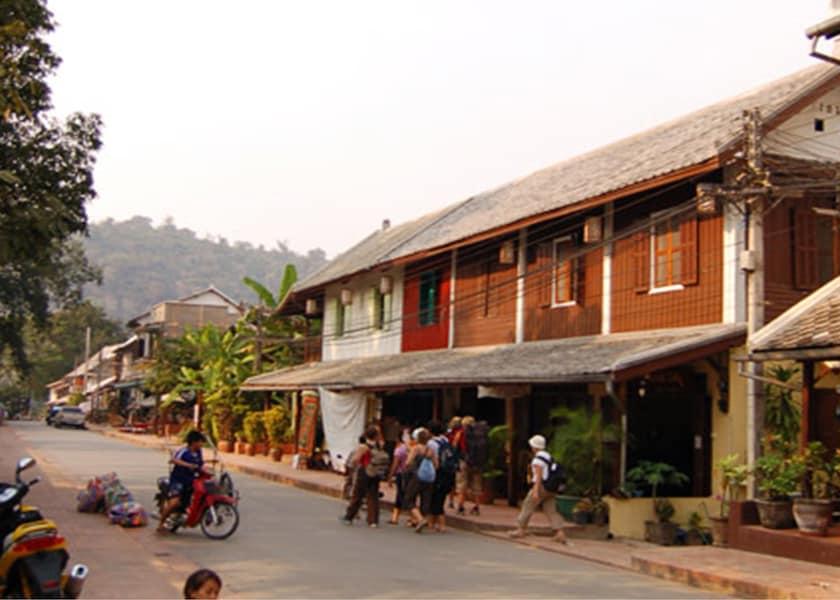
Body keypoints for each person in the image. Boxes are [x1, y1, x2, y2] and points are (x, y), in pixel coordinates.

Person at [508, 434, 568, 544]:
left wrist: (535, 490)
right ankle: (560, 532)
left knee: (528, 505)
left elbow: (538, 476)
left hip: (541, 486)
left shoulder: (537, 460)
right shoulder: (548, 456)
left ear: (534, 447)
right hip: (551, 488)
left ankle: (521, 529)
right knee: (551, 510)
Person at [158, 430, 207, 534]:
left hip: (192, 480)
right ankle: (161, 523)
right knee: (175, 502)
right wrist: (188, 465)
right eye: (200, 442)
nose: (201, 444)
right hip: (178, 480)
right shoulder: (184, 451)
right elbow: (173, 460)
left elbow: (200, 465)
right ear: (193, 442)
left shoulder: (198, 452)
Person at [340, 426, 385, 527]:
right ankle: (373, 520)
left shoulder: (364, 447)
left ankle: (349, 517)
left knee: (358, 495)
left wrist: (351, 468)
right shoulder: (379, 446)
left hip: (364, 471)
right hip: (375, 472)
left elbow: (355, 460)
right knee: (373, 496)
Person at [402, 428, 437, 533]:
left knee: (409, 498)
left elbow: (408, 462)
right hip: (429, 478)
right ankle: (423, 518)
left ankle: (420, 519)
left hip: (417, 477)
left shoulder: (416, 448)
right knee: (425, 500)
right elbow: (436, 464)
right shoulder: (431, 450)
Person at [427, 420, 456, 532]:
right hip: (447, 474)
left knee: (433, 498)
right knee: (441, 498)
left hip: (436, 473)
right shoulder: (446, 440)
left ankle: (435, 523)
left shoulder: (431, 444)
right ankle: (438, 524)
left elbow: (432, 459)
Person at [455, 416, 484, 516]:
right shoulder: (480, 434)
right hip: (477, 462)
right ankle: (476, 507)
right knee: (477, 485)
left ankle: (461, 506)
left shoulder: (461, 433)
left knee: (462, 484)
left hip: (464, 461)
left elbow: (455, 446)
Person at [387, 428, 411, 525]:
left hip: (401, 474)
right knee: (405, 495)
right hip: (409, 474)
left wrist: (390, 476)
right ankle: (395, 516)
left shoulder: (399, 450)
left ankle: (413, 517)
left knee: (401, 495)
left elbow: (395, 464)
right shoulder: (409, 448)